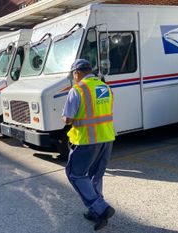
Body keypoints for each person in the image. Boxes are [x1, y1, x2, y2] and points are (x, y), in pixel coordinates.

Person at [62, 59, 116, 231]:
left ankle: (101, 209)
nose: (74, 78)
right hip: (107, 137)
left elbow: (68, 118)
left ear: (77, 73)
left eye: (73, 75)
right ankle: (95, 212)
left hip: (86, 140)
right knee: (95, 176)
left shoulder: (77, 89)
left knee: (75, 174)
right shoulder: (104, 87)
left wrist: (64, 118)